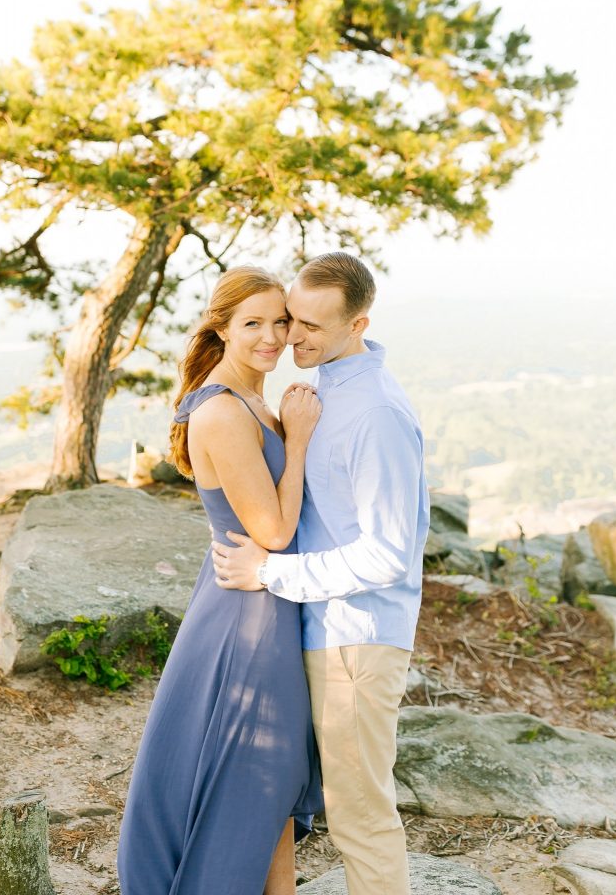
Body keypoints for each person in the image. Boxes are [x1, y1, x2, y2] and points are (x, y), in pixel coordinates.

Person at [212, 252, 430, 895]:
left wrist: (273, 573)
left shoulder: (375, 414)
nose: (290, 338)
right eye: (288, 319)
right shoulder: (325, 388)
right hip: (323, 630)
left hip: (357, 637)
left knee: (360, 815)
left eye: (310, 327)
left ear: (358, 324)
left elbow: (389, 552)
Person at [117, 266, 323, 895]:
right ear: (222, 327)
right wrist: (303, 439)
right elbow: (275, 532)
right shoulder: (224, 412)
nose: (270, 336)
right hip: (249, 612)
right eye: (252, 323)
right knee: (257, 769)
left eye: (279, 321)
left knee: (274, 779)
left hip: (268, 597)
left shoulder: (255, 397)